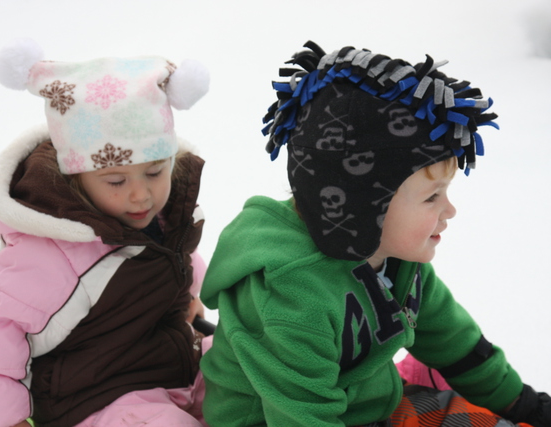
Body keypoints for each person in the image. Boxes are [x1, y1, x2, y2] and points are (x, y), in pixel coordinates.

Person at [199, 41, 551, 426]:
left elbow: (456, 345)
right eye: (432, 197)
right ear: (364, 204)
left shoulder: (398, 261)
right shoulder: (293, 293)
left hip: (370, 407)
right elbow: (300, 415)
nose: (449, 210)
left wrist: (524, 406)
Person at [0, 38, 211, 427]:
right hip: (96, 396)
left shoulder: (165, 218)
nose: (140, 194)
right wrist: (1, 420)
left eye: (154, 172)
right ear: (76, 178)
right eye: (116, 180)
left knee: (253, 371)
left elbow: (177, 261)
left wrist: (189, 297)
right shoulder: (51, 253)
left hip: (174, 362)